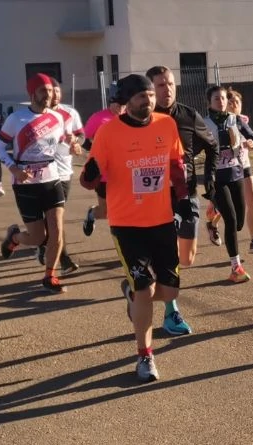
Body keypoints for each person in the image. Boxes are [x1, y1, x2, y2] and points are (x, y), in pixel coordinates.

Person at [80, 73, 194, 381]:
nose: (149, 100)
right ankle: (145, 356)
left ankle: (133, 296)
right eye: (142, 96)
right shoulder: (108, 132)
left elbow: (176, 164)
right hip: (127, 224)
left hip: (161, 220)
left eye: (151, 95)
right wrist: (90, 172)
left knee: (168, 290)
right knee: (144, 288)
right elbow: (89, 177)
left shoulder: (166, 124)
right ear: (126, 101)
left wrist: (183, 198)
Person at [148, 64, 219, 336]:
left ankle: (143, 290)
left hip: (186, 193)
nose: (167, 89)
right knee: (167, 255)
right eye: (161, 85)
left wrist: (209, 180)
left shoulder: (189, 115)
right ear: (151, 90)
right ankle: (171, 311)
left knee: (186, 258)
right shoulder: (146, 119)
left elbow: (212, 146)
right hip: (156, 197)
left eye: (170, 84)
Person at [0, 73, 70, 293]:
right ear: (32, 93)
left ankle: (50, 276)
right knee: (39, 237)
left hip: (51, 179)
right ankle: (15, 237)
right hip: (25, 182)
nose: (48, 95)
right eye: (43, 91)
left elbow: (61, 145)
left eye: (51, 91)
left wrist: (72, 146)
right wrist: (13, 168)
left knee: (57, 230)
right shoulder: (16, 119)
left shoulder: (57, 118)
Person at [204, 85, 253, 283]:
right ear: (209, 103)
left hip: (236, 175)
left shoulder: (235, 120)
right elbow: (190, 148)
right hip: (216, 178)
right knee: (231, 220)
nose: (221, 102)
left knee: (238, 224)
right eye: (216, 99)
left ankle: (212, 218)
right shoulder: (204, 124)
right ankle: (236, 268)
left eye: (223, 98)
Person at [34, 82, 81, 274]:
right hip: (41, 173)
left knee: (55, 219)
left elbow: (81, 134)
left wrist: (77, 143)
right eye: (50, 91)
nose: (55, 95)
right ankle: (63, 258)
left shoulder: (70, 113)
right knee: (53, 220)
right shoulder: (35, 117)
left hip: (64, 173)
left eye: (57, 91)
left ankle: (46, 246)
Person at [77, 82, 124, 238]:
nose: (121, 108)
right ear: (111, 101)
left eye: (124, 104)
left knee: (126, 209)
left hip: (126, 172)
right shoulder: (98, 118)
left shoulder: (130, 117)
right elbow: (84, 139)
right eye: (117, 104)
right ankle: (92, 213)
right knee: (106, 212)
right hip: (103, 174)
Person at [225, 88, 253, 254]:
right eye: (231, 102)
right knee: (231, 209)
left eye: (238, 102)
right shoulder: (221, 124)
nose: (235, 105)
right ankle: (212, 221)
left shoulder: (242, 121)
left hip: (244, 166)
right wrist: (239, 146)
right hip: (227, 169)